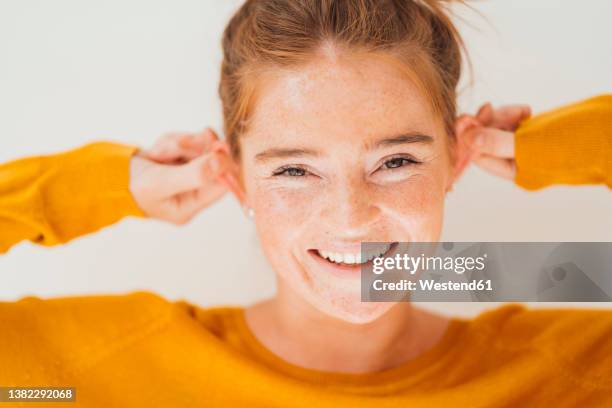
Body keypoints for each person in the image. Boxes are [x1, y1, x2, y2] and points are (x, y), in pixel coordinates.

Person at [1, 0, 610, 406]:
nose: (351, 218)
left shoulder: (570, 372)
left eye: (396, 162)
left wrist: (567, 148)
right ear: (233, 178)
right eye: (294, 169)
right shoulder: (88, 375)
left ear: (458, 157)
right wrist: (94, 185)